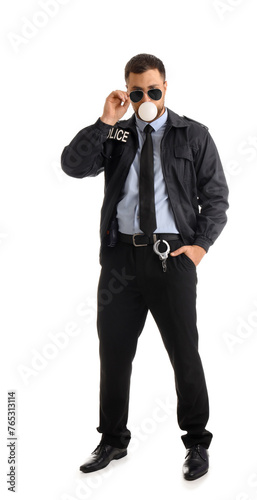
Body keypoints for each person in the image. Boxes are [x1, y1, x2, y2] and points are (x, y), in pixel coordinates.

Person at [61, 53, 229, 481]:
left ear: (166, 88)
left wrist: (198, 248)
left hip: (173, 257)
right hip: (120, 259)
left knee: (184, 354)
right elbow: (72, 165)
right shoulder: (115, 135)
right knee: (113, 353)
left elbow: (216, 198)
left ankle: (195, 442)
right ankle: (113, 439)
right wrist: (103, 121)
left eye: (154, 91)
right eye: (138, 93)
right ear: (128, 92)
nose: (147, 99)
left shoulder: (193, 135)